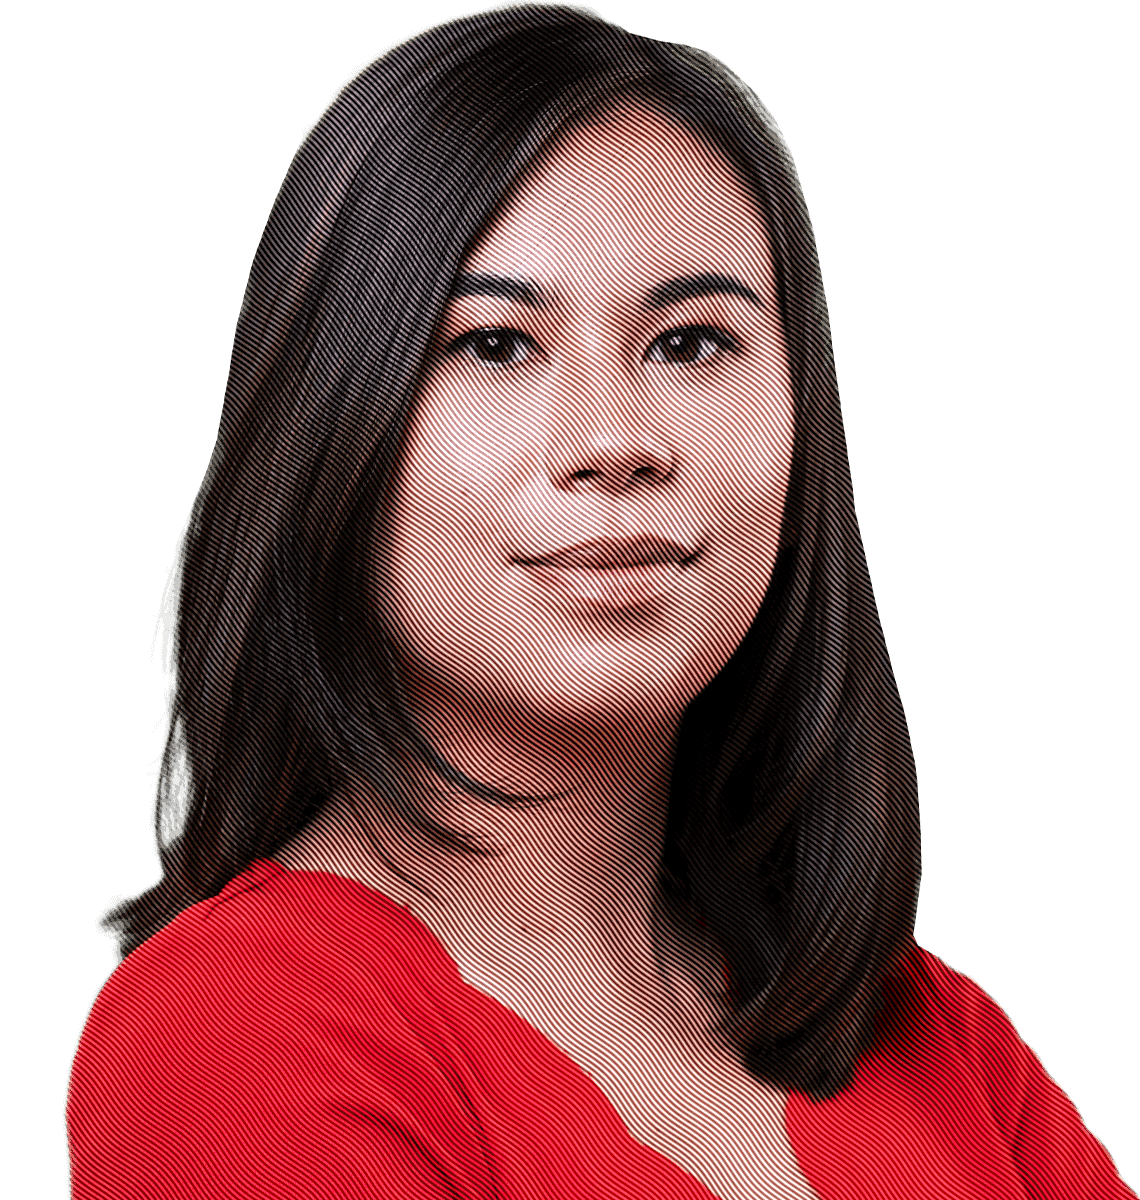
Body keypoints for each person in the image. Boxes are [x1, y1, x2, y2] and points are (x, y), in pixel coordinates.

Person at [65, 5, 1133, 1198]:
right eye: (493, 344)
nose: (614, 442)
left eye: (689, 342)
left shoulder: (932, 1037)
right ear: (329, 432)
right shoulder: (236, 1036)